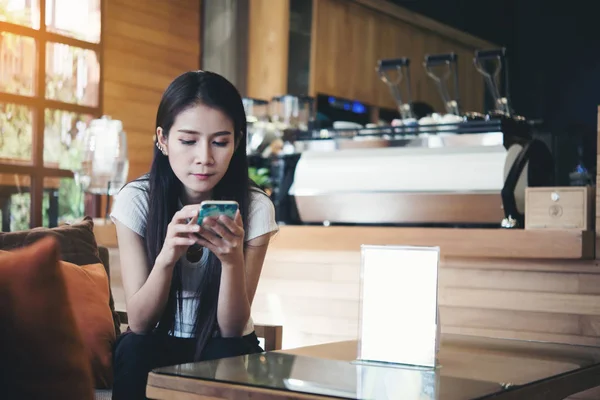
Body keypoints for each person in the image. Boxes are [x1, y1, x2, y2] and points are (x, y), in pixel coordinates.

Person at [109, 70, 279, 399]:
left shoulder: (255, 207)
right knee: (133, 349)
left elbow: (231, 331)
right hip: (155, 344)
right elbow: (140, 324)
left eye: (220, 141)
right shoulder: (137, 200)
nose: (204, 157)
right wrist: (166, 258)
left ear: (237, 141)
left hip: (225, 346)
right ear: (163, 139)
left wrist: (231, 262)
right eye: (188, 141)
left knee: (226, 354)